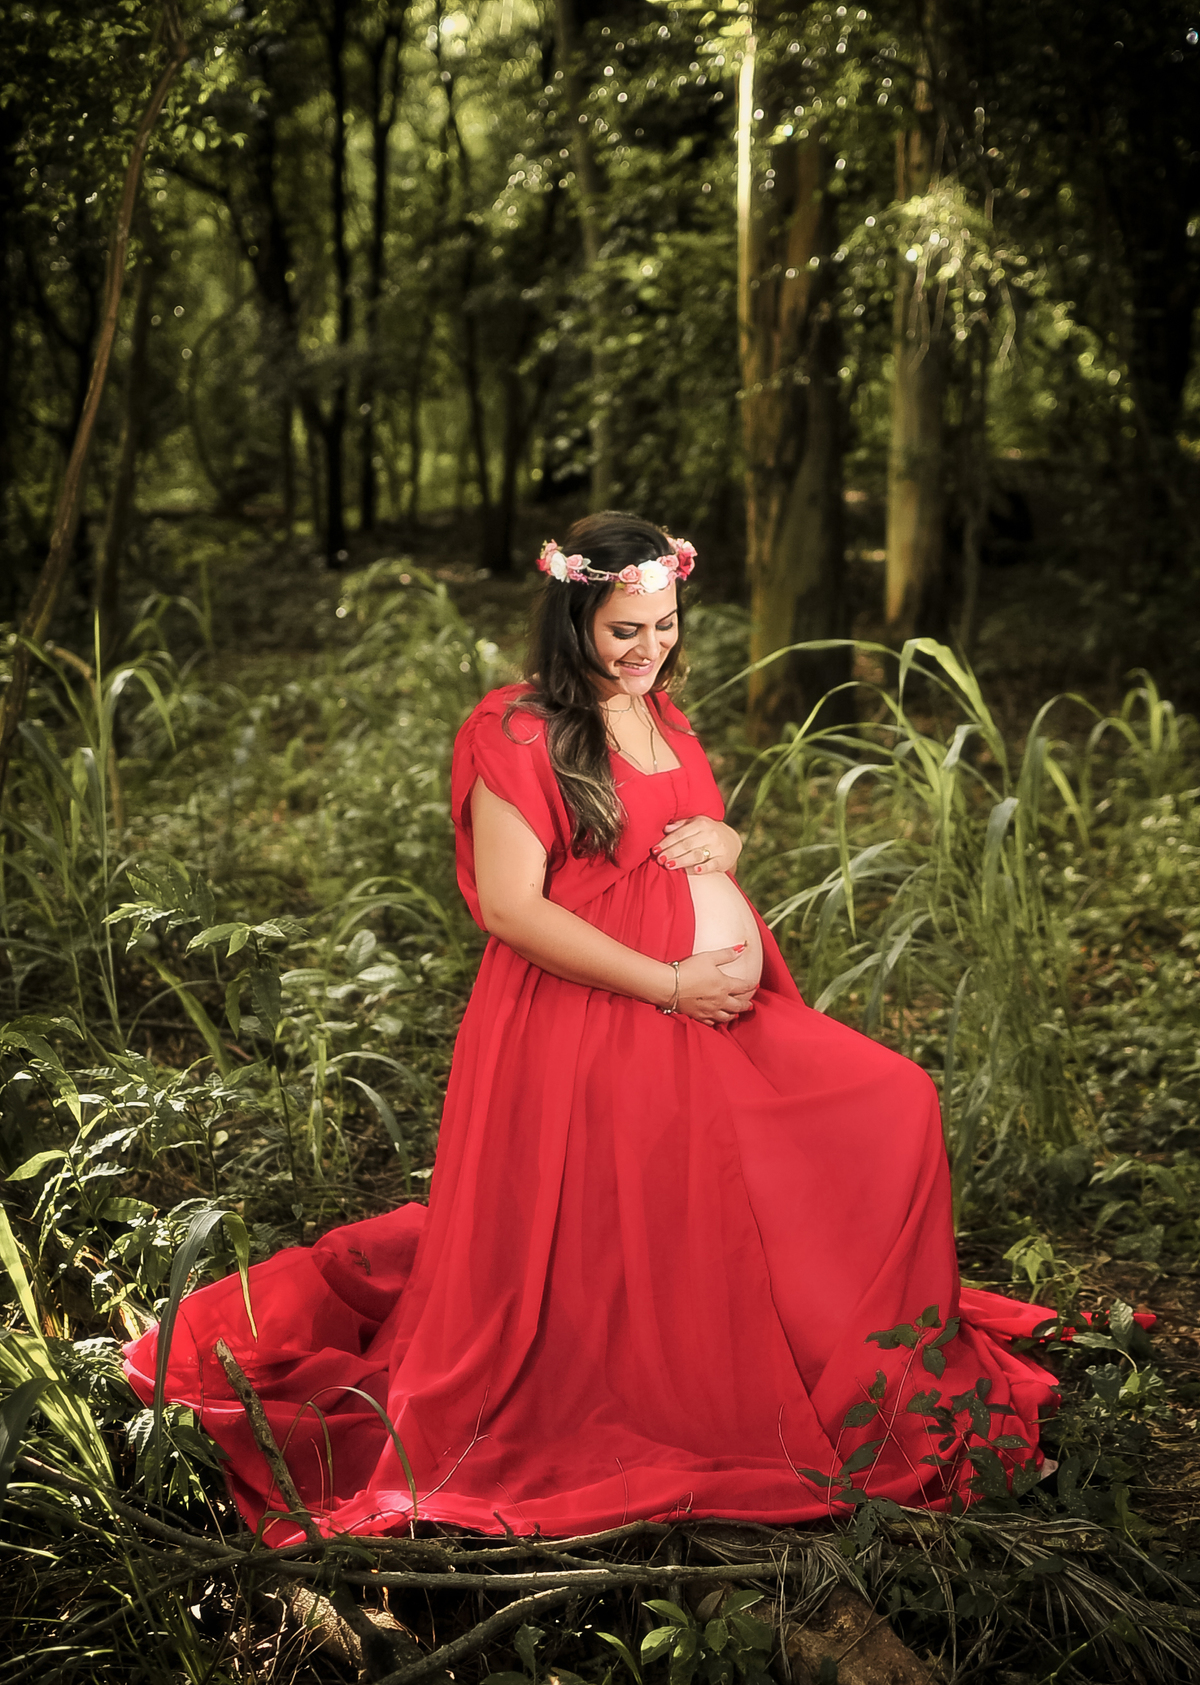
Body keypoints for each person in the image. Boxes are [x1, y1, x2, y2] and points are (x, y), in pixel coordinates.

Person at [125, 511, 1064, 1548]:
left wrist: (729, 840)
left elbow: (675, 837)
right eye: (624, 629)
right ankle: (701, 1375)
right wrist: (670, 981)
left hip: (707, 1015)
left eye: (664, 624)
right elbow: (512, 907)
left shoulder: (664, 715)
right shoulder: (518, 729)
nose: (648, 647)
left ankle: (845, 1354)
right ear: (572, 617)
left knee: (894, 1099)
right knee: (660, 1231)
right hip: (590, 1018)